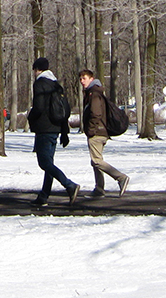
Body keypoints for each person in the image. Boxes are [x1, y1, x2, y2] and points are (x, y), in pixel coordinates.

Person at [27, 57, 80, 207]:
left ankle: (70, 185)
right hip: (56, 128)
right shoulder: (56, 84)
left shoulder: (39, 84)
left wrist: (30, 117)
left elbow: (39, 107)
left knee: (44, 163)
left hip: (44, 128)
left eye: (34, 70)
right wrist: (64, 131)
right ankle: (43, 196)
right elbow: (63, 109)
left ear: (37, 69)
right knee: (49, 163)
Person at [79, 69, 129, 197]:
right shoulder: (94, 92)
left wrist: (91, 130)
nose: (82, 81)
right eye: (80, 79)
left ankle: (121, 178)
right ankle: (99, 189)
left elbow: (96, 114)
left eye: (84, 78)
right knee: (96, 161)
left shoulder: (94, 94)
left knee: (96, 161)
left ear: (91, 79)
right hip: (99, 131)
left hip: (97, 132)